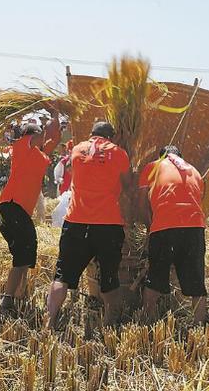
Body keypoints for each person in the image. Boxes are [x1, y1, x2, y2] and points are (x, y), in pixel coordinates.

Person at [46, 121, 129, 328]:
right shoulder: (118, 153)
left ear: (91, 134)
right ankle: (110, 322)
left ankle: (51, 320)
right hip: (108, 223)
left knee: (62, 275)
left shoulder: (76, 150)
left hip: (76, 221)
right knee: (110, 277)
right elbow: (127, 182)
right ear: (112, 137)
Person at [0, 111, 61, 315]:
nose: (43, 137)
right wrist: (50, 117)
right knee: (21, 258)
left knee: (25, 255)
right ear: (31, 136)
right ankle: (7, 301)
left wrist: (56, 118)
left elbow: (54, 138)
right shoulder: (22, 146)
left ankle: (18, 296)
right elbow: (40, 135)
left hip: (18, 212)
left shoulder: (40, 156)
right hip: (10, 207)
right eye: (39, 134)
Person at [139, 145, 208, 326]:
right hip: (194, 228)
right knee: (196, 283)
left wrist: (149, 226)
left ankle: (148, 322)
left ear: (162, 156)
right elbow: (200, 198)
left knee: (155, 278)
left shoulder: (153, 166)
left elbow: (141, 202)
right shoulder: (194, 171)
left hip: (164, 227)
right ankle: (200, 326)